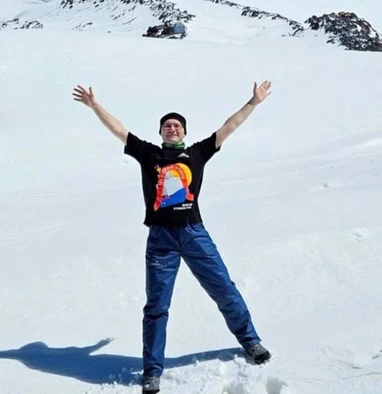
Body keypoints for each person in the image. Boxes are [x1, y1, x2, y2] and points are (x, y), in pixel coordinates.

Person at [72, 81, 274, 394]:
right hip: (161, 240)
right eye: (167, 125)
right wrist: (94, 106)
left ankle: (251, 342)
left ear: (184, 132)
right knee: (156, 307)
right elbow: (119, 130)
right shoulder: (148, 155)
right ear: (161, 132)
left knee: (224, 289)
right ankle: (152, 372)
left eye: (177, 125)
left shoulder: (197, 154)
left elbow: (228, 126)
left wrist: (253, 102)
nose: (172, 128)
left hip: (194, 233)